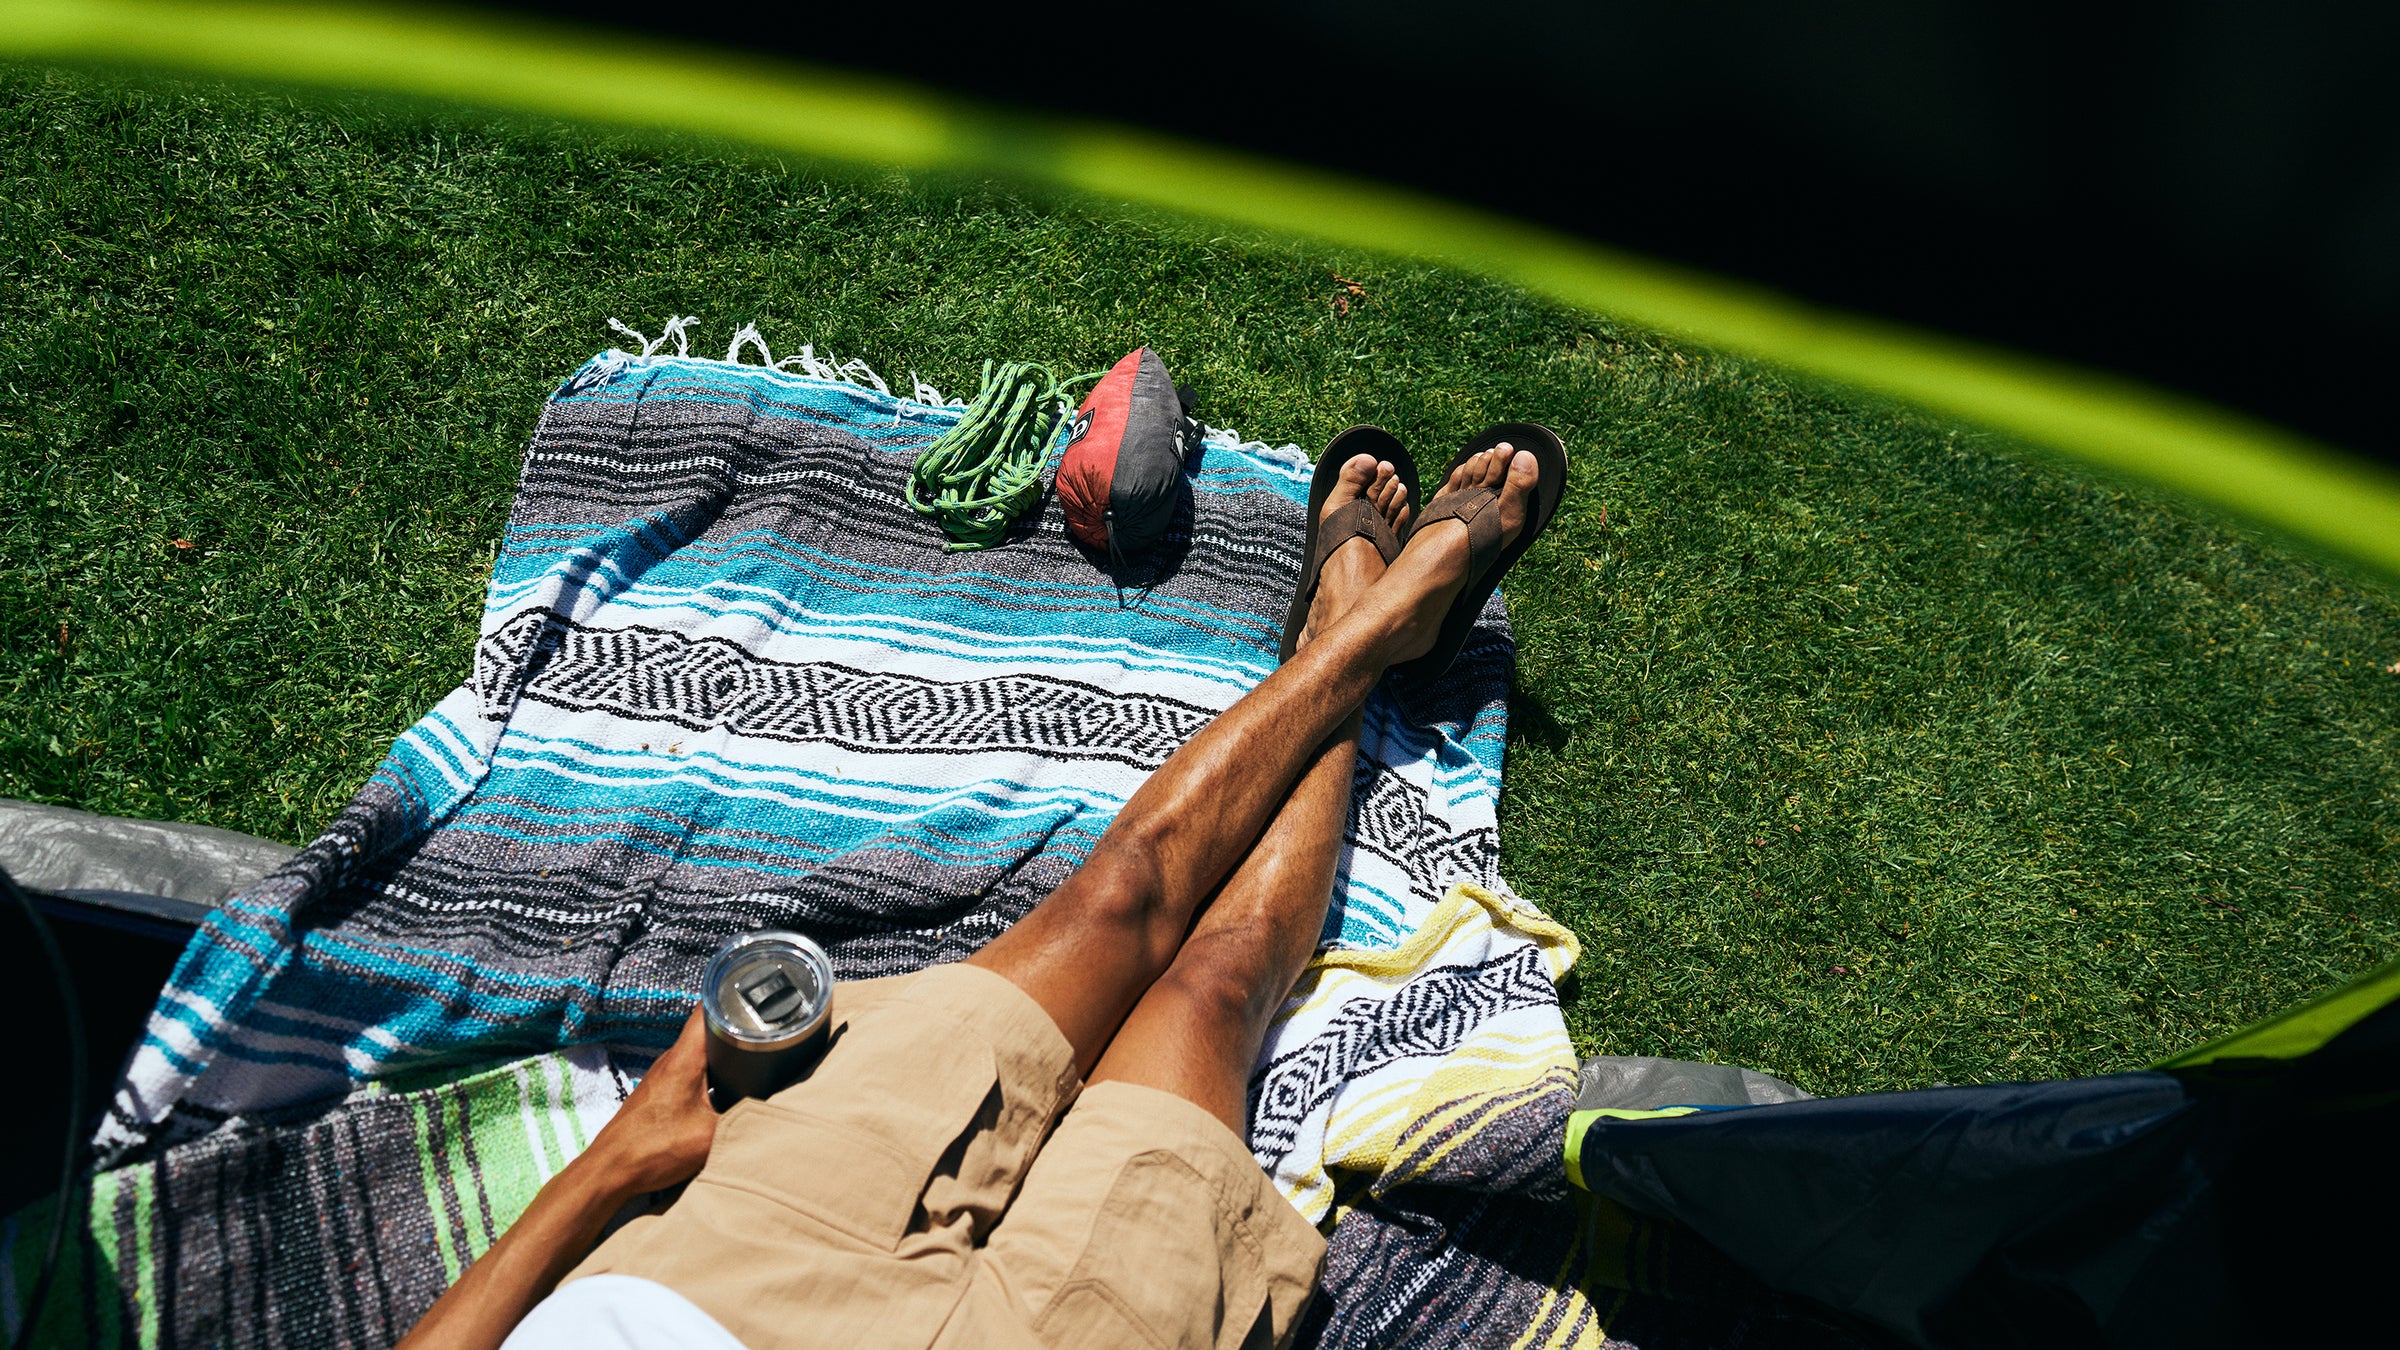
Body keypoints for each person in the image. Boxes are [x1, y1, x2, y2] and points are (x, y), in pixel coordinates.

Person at [397, 438, 1550, 1350]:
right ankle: (1367, 617)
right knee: (1219, 988)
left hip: (722, 1271)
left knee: (1114, 903)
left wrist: (614, 1160)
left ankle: (1360, 633)